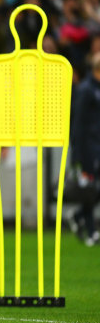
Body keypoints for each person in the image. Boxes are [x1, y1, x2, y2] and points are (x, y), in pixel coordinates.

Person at [69, 52, 100, 246]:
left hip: (97, 146)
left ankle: (78, 215)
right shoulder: (86, 90)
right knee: (89, 189)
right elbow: (78, 124)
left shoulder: (94, 89)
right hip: (88, 149)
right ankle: (90, 230)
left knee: (94, 190)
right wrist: (77, 155)